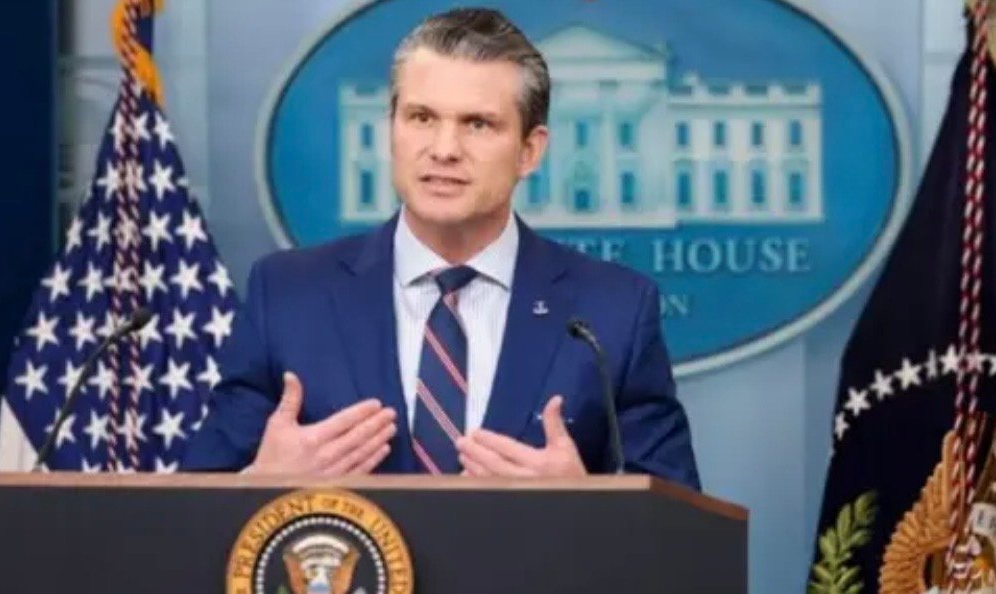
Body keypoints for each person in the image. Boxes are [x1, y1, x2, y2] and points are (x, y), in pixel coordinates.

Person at [181, 7, 700, 490]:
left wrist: (590, 505)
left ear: (529, 150)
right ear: (392, 129)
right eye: (422, 118)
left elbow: (680, 535)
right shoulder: (288, 297)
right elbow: (191, 514)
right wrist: (258, 482)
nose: (444, 149)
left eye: (478, 124)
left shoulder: (613, 312)